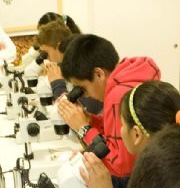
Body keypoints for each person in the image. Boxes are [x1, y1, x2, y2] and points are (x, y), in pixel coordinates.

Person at [57, 34, 161, 176]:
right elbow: (116, 134)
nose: (85, 95)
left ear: (99, 74)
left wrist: (83, 129)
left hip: (141, 179)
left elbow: (120, 167)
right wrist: (90, 120)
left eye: (83, 88)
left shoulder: (118, 96)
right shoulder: (130, 76)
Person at [35, 21, 102, 114]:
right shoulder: (65, 66)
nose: (47, 58)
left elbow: (86, 109)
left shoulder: (82, 64)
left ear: (58, 46)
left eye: (46, 53)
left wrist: (57, 85)